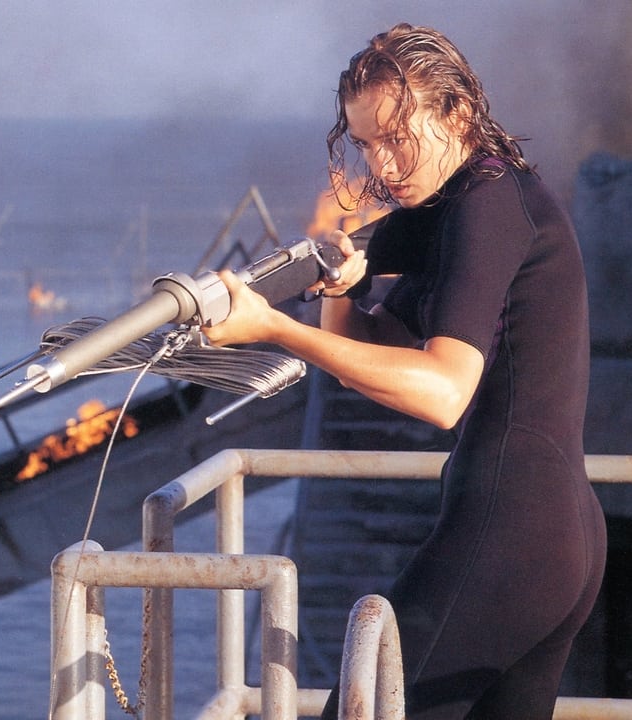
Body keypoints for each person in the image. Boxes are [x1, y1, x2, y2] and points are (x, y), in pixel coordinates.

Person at [201, 23, 607, 720]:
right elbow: (370, 353)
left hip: (509, 532)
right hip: (556, 537)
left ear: (457, 112)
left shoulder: (485, 208)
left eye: (396, 137)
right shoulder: (466, 205)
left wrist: (274, 329)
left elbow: (442, 392)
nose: (383, 165)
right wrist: (339, 290)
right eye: (365, 144)